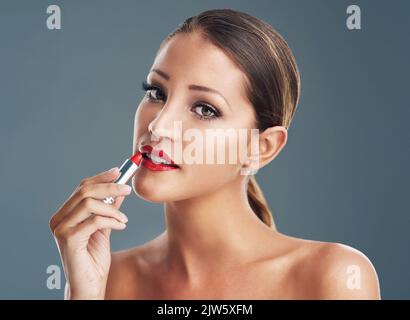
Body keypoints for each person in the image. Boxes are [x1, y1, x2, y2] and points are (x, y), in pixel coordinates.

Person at [49, 9, 380, 299]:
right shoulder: (108, 278)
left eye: (205, 109)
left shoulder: (333, 278)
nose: (159, 126)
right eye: (157, 92)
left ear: (260, 148)